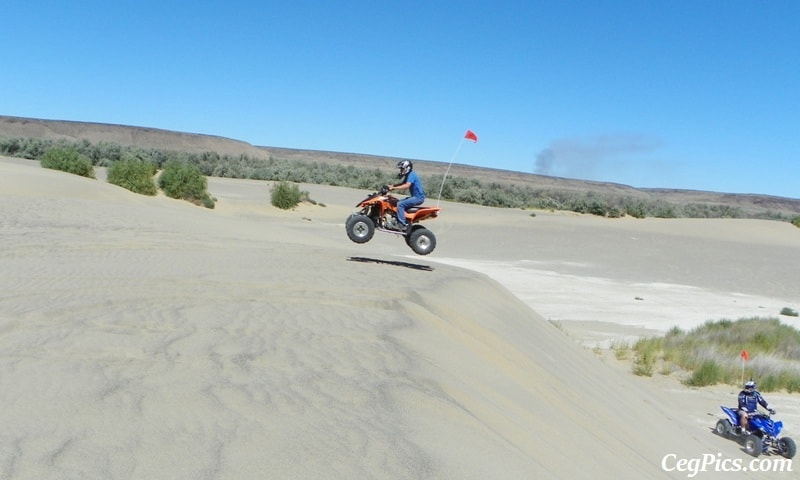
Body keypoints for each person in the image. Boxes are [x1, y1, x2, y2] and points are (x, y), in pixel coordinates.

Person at [386, 159, 424, 232]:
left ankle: (402, 224)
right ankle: (397, 220)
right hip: (415, 197)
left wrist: (394, 187)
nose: (400, 170)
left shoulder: (411, 175)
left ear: (407, 168)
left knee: (400, 204)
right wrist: (392, 186)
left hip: (418, 198)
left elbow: (406, 185)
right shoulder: (408, 175)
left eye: (401, 168)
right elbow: (402, 184)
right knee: (396, 202)